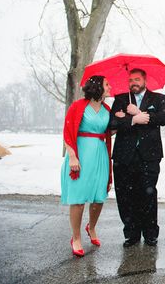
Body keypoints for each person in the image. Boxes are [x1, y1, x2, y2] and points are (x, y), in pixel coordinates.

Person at [109, 68, 165, 247]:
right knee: (126, 196)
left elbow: (163, 118)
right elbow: (112, 122)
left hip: (149, 157)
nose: (133, 83)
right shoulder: (120, 99)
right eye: (130, 80)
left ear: (145, 80)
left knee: (148, 194)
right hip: (124, 157)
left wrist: (138, 114)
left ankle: (150, 233)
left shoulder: (159, 99)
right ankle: (131, 233)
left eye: (136, 79)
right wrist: (132, 120)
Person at [62, 75, 112, 257]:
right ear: (98, 87)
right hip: (81, 155)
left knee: (99, 198)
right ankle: (76, 237)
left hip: (101, 155)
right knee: (78, 199)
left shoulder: (107, 109)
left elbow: (107, 131)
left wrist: (122, 121)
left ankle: (91, 227)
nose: (110, 87)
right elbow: (67, 132)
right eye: (107, 84)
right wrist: (73, 157)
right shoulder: (78, 106)